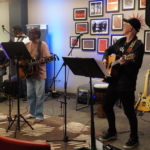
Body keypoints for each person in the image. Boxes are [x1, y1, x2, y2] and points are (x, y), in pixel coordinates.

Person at [99, 18, 144, 149]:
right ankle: (112, 131)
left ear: (131, 28)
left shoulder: (138, 46)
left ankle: (134, 138)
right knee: (107, 106)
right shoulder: (120, 41)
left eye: (126, 25)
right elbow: (108, 51)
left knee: (129, 111)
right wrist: (104, 59)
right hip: (114, 80)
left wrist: (128, 61)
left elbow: (138, 64)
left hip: (127, 82)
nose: (123, 26)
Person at [25, 27, 50, 123]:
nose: (29, 34)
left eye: (31, 33)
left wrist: (41, 61)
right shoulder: (26, 44)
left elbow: (47, 58)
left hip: (39, 73)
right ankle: (32, 113)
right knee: (30, 95)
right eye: (29, 32)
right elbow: (22, 59)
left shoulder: (42, 45)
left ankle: (39, 115)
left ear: (37, 34)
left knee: (39, 96)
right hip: (28, 73)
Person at [11, 25, 30, 100]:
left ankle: (26, 95)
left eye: (13, 31)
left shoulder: (26, 39)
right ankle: (21, 93)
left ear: (17, 31)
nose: (13, 33)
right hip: (17, 60)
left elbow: (27, 51)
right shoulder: (16, 38)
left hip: (23, 61)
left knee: (24, 78)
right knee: (18, 78)